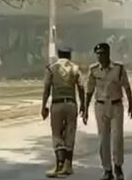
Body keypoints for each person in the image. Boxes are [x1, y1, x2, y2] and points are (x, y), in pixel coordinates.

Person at [84, 42, 132, 180]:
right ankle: (107, 169)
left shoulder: (118, 69)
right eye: (98, 54)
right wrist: (85, 109)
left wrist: (131, 105)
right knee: (103, 140)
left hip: (116, 105)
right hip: (100, 106)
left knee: (117, 138)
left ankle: (118, 166)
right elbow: (89, 90)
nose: (100, 57)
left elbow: (127, 87)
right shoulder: (93, 70)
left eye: (102, 54)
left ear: (108, 54)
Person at [41, 46, 85, 178]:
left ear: (59, 55)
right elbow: (81, 87)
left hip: (57, 104)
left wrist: (44, 106)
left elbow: (47, 88)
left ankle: (59, 165)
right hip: (71, 104)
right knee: (70, 133)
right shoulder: (76, 68)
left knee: (57, 134)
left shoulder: (51, 68)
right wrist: (83, 104)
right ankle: (68, 165)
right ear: (70, 55)